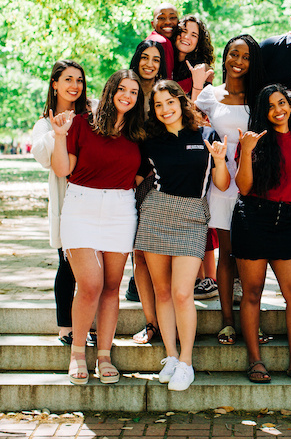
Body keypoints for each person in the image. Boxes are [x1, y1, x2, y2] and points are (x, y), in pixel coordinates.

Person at [50, 69, 145, 385]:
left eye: (133, 91)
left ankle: (104, 354)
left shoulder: (138, 133)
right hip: (81, 207)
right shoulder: (82, 124)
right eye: (122, 89)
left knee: (111, 286)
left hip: (121, 209)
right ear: (110, 90)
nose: (127, 96)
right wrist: (60, 136)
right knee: (90, 284)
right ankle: (78, 351)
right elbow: (64, 169)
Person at [134, 80, 229, 391]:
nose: (165, 110)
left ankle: (186, 362)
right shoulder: (149, 139)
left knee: (182, 294)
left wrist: (217, 160)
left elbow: (223, 184)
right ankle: (172, 356)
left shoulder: (205, 134)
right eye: (158, 105)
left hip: (191, 216)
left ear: (181, 100)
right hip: (156, 213)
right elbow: (136, 176)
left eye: (169, 102)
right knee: (162, 292)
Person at [232, 84, 291, 384]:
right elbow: (243, 187)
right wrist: (246, 151)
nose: (278, 109)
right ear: (262, 112)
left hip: (285, 223)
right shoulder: (253, 140)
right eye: (270, 105)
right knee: (252, 293)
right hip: (252, 218)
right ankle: (255, 360)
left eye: (282, 102)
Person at [192, 34, 266, 345]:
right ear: (224, 58)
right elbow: (189, 121)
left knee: (250, 253)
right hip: (222, 183)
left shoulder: (261, 96)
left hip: (254, 183)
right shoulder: (209, 95)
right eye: (233, 54)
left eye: (246, 56)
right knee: (226, 254)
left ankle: (253, 320)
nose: (238, 61)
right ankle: (226, 321)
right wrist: (196, 84)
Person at [32, 60, 94, 346]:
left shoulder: (92, 115)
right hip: (65, 197)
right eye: (68, 79)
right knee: (67, 262)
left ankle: (88, 324)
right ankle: (65, 326)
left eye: (79, 80)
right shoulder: (44, 124)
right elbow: (43, 158)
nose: (75, 86)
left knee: (93, 267)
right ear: (54, 84)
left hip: (94, 196)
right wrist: (58, 131)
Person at [127, 40, 167, 342]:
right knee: (139, 255)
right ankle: (151, 321)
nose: (150, 63)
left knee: (161, 255)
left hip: (158, 184)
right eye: (144, 57)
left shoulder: (163, 96)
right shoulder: (125, 92)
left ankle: (168, 319)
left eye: (156, 58)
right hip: (128, 183)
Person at [171, 15, 215, 94]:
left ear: (198, 43)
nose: (187, 37)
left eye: (194, 35)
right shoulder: (163, 58)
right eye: (184, 31)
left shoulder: (201, 70)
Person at [146, 3, 179, 79]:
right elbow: (167, 82)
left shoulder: (149, 39)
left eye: (172, 17)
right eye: (161, 18)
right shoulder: (162, 42)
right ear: (152, 24)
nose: (167, 22)